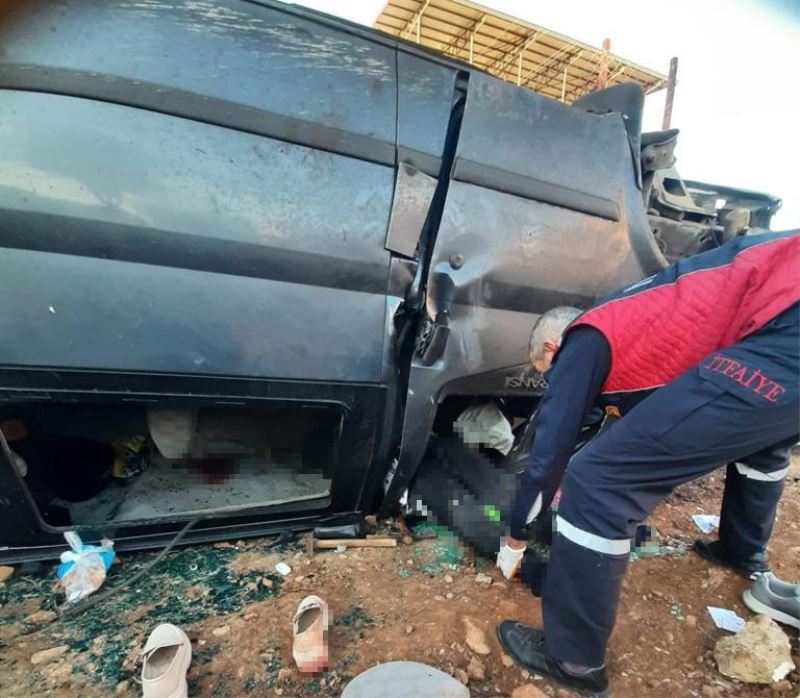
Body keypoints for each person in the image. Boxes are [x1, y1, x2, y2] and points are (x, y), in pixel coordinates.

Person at [495, 230, 800, 696]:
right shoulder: (639, 318)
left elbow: (546, 461)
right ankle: (743, 550)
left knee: (599, 480)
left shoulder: (584, 340)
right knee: (766, 441)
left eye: (548, 374)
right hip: (780, 321)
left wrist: (517, 537)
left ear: (553, 349)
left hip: (786, 327)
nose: (554, 382)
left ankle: (574, 661)